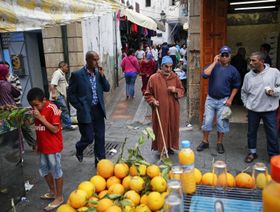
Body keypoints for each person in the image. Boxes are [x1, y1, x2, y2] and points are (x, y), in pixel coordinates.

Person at [67, 51, 110, 166]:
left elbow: (107, 88)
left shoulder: (98, 73)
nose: (97, 62)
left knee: (100, 137)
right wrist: (80, 107)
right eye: (94, 60)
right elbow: (70, 94)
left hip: (98, 110)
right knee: (89, 138)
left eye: (98, 59)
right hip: (85, 111)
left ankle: (100, 162)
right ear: (87, 60)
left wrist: (102, 76)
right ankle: (79, 147)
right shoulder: (77, 75)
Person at [197, 46, 241, 154]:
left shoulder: (233, 70)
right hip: (210, 100)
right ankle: (205, 141)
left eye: (227, 55)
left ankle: (219, 143)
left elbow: (236, 86)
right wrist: (214, 62)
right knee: (207, 121)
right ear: (219, 55)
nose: (225, 57)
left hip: (224, 101)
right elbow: (204, 75)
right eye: (223, 55)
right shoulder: (214, 66)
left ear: (230, 57)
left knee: (222, 123)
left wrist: (230, 99)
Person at [27, 88, 64, 211]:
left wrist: (41, 118)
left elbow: (54, 129)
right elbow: (38, 128)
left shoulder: (52, 108)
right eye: (32, 106)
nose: (35, 108)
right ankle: (53, 192)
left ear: (44, 100)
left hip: (53, 147)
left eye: (36, 105)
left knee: (56, 171)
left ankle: (59, 197)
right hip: (43, 146)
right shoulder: (37, 110)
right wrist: (37, 143)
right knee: (44, 169)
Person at [241, 52, 280, 163]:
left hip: (269, 110)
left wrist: (273, 92)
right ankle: (252, 152)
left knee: (272, 133)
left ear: (262, 61)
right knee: (251, 132)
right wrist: (246, 104)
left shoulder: (274, 72)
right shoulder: (248, 76)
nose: (251, 63)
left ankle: (273, 156)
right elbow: (244, 91)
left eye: (254, 60)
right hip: (253, 110)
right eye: (250, 60)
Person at [144, 56, 184, 154]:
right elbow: (148, 94)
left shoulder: (175, 77)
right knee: (161, 127)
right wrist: (153, 100)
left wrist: (175, 90)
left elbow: (182, 90)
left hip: (173, 109)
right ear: (161, 66)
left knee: (171, 127)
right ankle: (161, 148)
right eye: (166, 66)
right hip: (160, 109)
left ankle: (169, 147)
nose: (169, 69)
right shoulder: (153, 78)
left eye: (171, 67)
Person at [50, 61, 77, 130]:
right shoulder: (58, 73)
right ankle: (68, 125)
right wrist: (53, 94)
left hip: (59, 96)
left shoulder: (62, 74)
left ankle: (59, 125)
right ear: (62, 66)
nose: (68, 68)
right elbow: (52, 84)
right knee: (64, 110)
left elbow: (65, 85)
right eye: (66, 67)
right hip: (57, 96)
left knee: (56, 111)